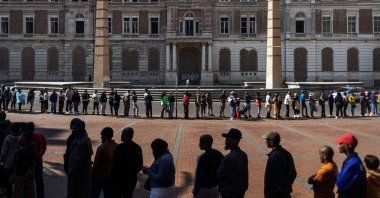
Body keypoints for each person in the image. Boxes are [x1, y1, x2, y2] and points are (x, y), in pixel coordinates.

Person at [262, 132, 297, 198]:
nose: (265, 142)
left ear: (271, 142)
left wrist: (278, 190)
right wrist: (287, 186)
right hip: (284, 191)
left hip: (276, 193)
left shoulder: (274, 156)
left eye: (267, 140)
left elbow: (275, 178)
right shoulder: (286, 153)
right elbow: (293, 173)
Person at [111, 127, 143, 197]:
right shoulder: (137, 147)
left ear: (124, 135)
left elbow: (114, 165)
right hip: (131, 178)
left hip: (119, 179)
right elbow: (140, 165)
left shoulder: (119, 147)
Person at [217, 128, 248, 198]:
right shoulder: (243, 155)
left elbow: (219, 175)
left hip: (228, 193)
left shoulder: (228, 158)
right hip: (240, 192)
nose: (226, 141)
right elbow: (245, 175)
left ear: (232, 140)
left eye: (227, 138)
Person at [66, 119, 93, 198]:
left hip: (78, 176)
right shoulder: (86, 138)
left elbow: (78, 162)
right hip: (84, 174)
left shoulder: (79, 142)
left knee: (74, 194)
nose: (72, 131)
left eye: (74, 129)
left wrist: (71, 171)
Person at [335, 133, 367, 198]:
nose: (338, 145)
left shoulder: (351, 163)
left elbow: (340, 183)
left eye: (341, 143)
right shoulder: (355, 159)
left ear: (347, 146)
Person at [90, 127, 118, 198]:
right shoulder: (116, 146)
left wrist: (91, 176)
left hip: (99, 177)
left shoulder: (101, 148)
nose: (101, 137)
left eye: (102, 136)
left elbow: (96, 165)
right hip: (111, 177)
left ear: (105, 136)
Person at [21, 122, 47, 198]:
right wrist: (40, 154)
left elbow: (18, 147)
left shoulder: (24, 137)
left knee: (26, 180)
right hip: (38, 158)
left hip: (26, 160)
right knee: (39, 180)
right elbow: (44, 147)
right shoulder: (40, 136)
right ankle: (40, 196)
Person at [1, 122, 22, 198]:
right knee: (18, 181)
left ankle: (9, 196)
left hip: (8, 163)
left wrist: (1, 160)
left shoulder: (7, 139)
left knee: (8, 182)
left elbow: (3, 152)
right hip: (18, 163)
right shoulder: (21, 139)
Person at [13, 131, 36, 198]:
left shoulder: (22, 150)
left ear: (25, 138)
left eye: (22, 137)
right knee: (30, 191)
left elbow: (16, 161)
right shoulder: (33, 145)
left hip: (21, 171)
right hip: (30, 169)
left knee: (18, 192)